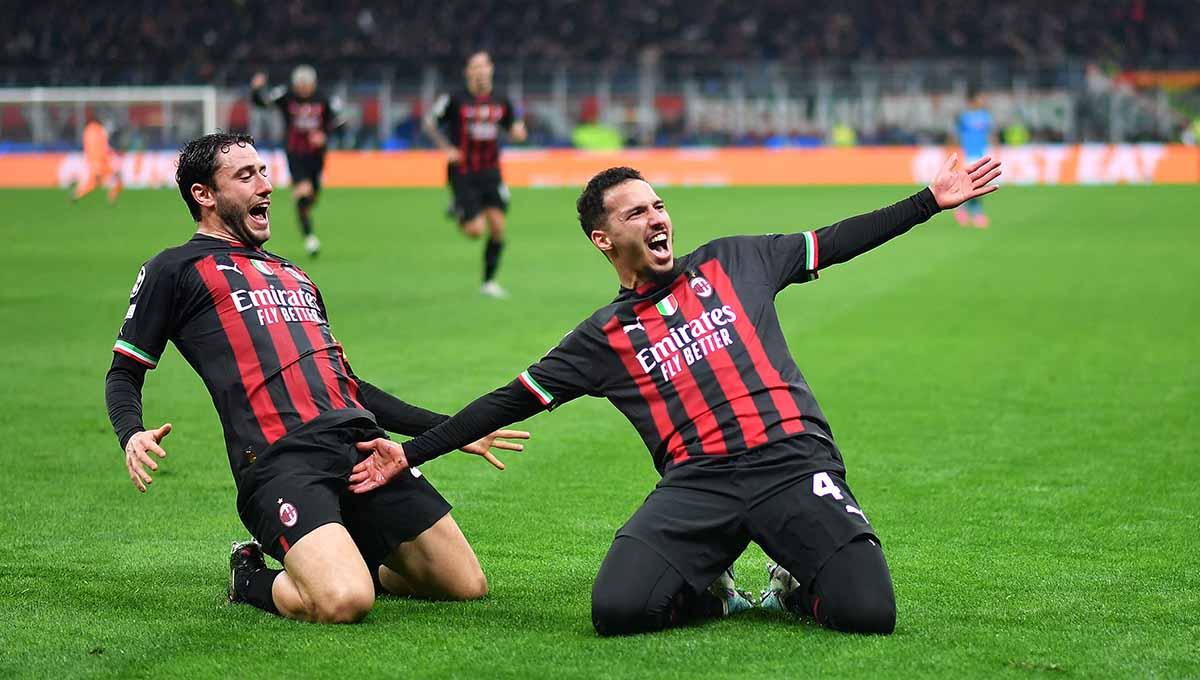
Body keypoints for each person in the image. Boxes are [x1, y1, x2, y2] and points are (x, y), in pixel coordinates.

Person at [347, 155, 1002, 636]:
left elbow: (835, 242)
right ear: (604, 240)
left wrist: (926, 201)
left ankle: (794, 584)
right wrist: (412, 453)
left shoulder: (736, 260)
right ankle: (711, 590)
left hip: (791, 461)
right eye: (637, 212)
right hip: (699, 484)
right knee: (618, 612)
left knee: (869, 613)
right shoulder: (603, 336)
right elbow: (507, 400)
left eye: (658, 205)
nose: (657, 217)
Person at [104, 133, 528, 623]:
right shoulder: (173, 269)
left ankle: (341, 554)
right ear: (204, 195)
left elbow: (348, 386)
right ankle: (250, 577)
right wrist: (131, 432)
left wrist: (452, 430)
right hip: (282, 458)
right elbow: (124, 372)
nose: (265, 186)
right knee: (345, 602)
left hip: (362, 445)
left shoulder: (294, 274)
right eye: (245, 176)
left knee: (464, 585)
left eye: (264, 172)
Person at [424, 51, 528, 298]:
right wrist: (446, 148)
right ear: (468, 72)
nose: (480, 71)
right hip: (462, 171)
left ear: (491, 69)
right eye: (475, 67)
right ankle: (459, 208)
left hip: (491, 170)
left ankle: (489, 282)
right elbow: (430, 122)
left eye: (484, 66)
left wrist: (518, 133)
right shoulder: (454, 99)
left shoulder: (501, 100)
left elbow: (514, 128)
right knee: (475, 231)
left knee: (498, 228)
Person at [251, 65, 340, 256]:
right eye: (300, 84)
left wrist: (324, 135)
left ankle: (305, 218)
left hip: (316, 156)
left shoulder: (323, 99)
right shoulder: (287, 96)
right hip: (295, 153)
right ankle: (310, 239)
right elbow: (262, 103)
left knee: (311, 198)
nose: (303, 88)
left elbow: (338, 123)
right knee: (303, 193)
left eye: (307, 85)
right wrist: (257, 89)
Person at [954, 88, 996, 228]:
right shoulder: (964, 117)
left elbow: (990, 134)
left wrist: (994, 146)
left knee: (977, 185)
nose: (982, 100)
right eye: (980, 98)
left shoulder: (985, 116)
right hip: (969, 155)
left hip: (981, 154)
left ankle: (963, 209)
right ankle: (976, 214)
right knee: (975, 184)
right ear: (972, 100)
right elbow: (956, 135)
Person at [73, 115, 123, 203]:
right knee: (116, 178)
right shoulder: (100, 130)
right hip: (103, 161)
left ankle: (78, 193)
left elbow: (88, 148)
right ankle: (112, 197)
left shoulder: (87, 132)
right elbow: (104, 146)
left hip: (92, 162)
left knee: (94, 182)